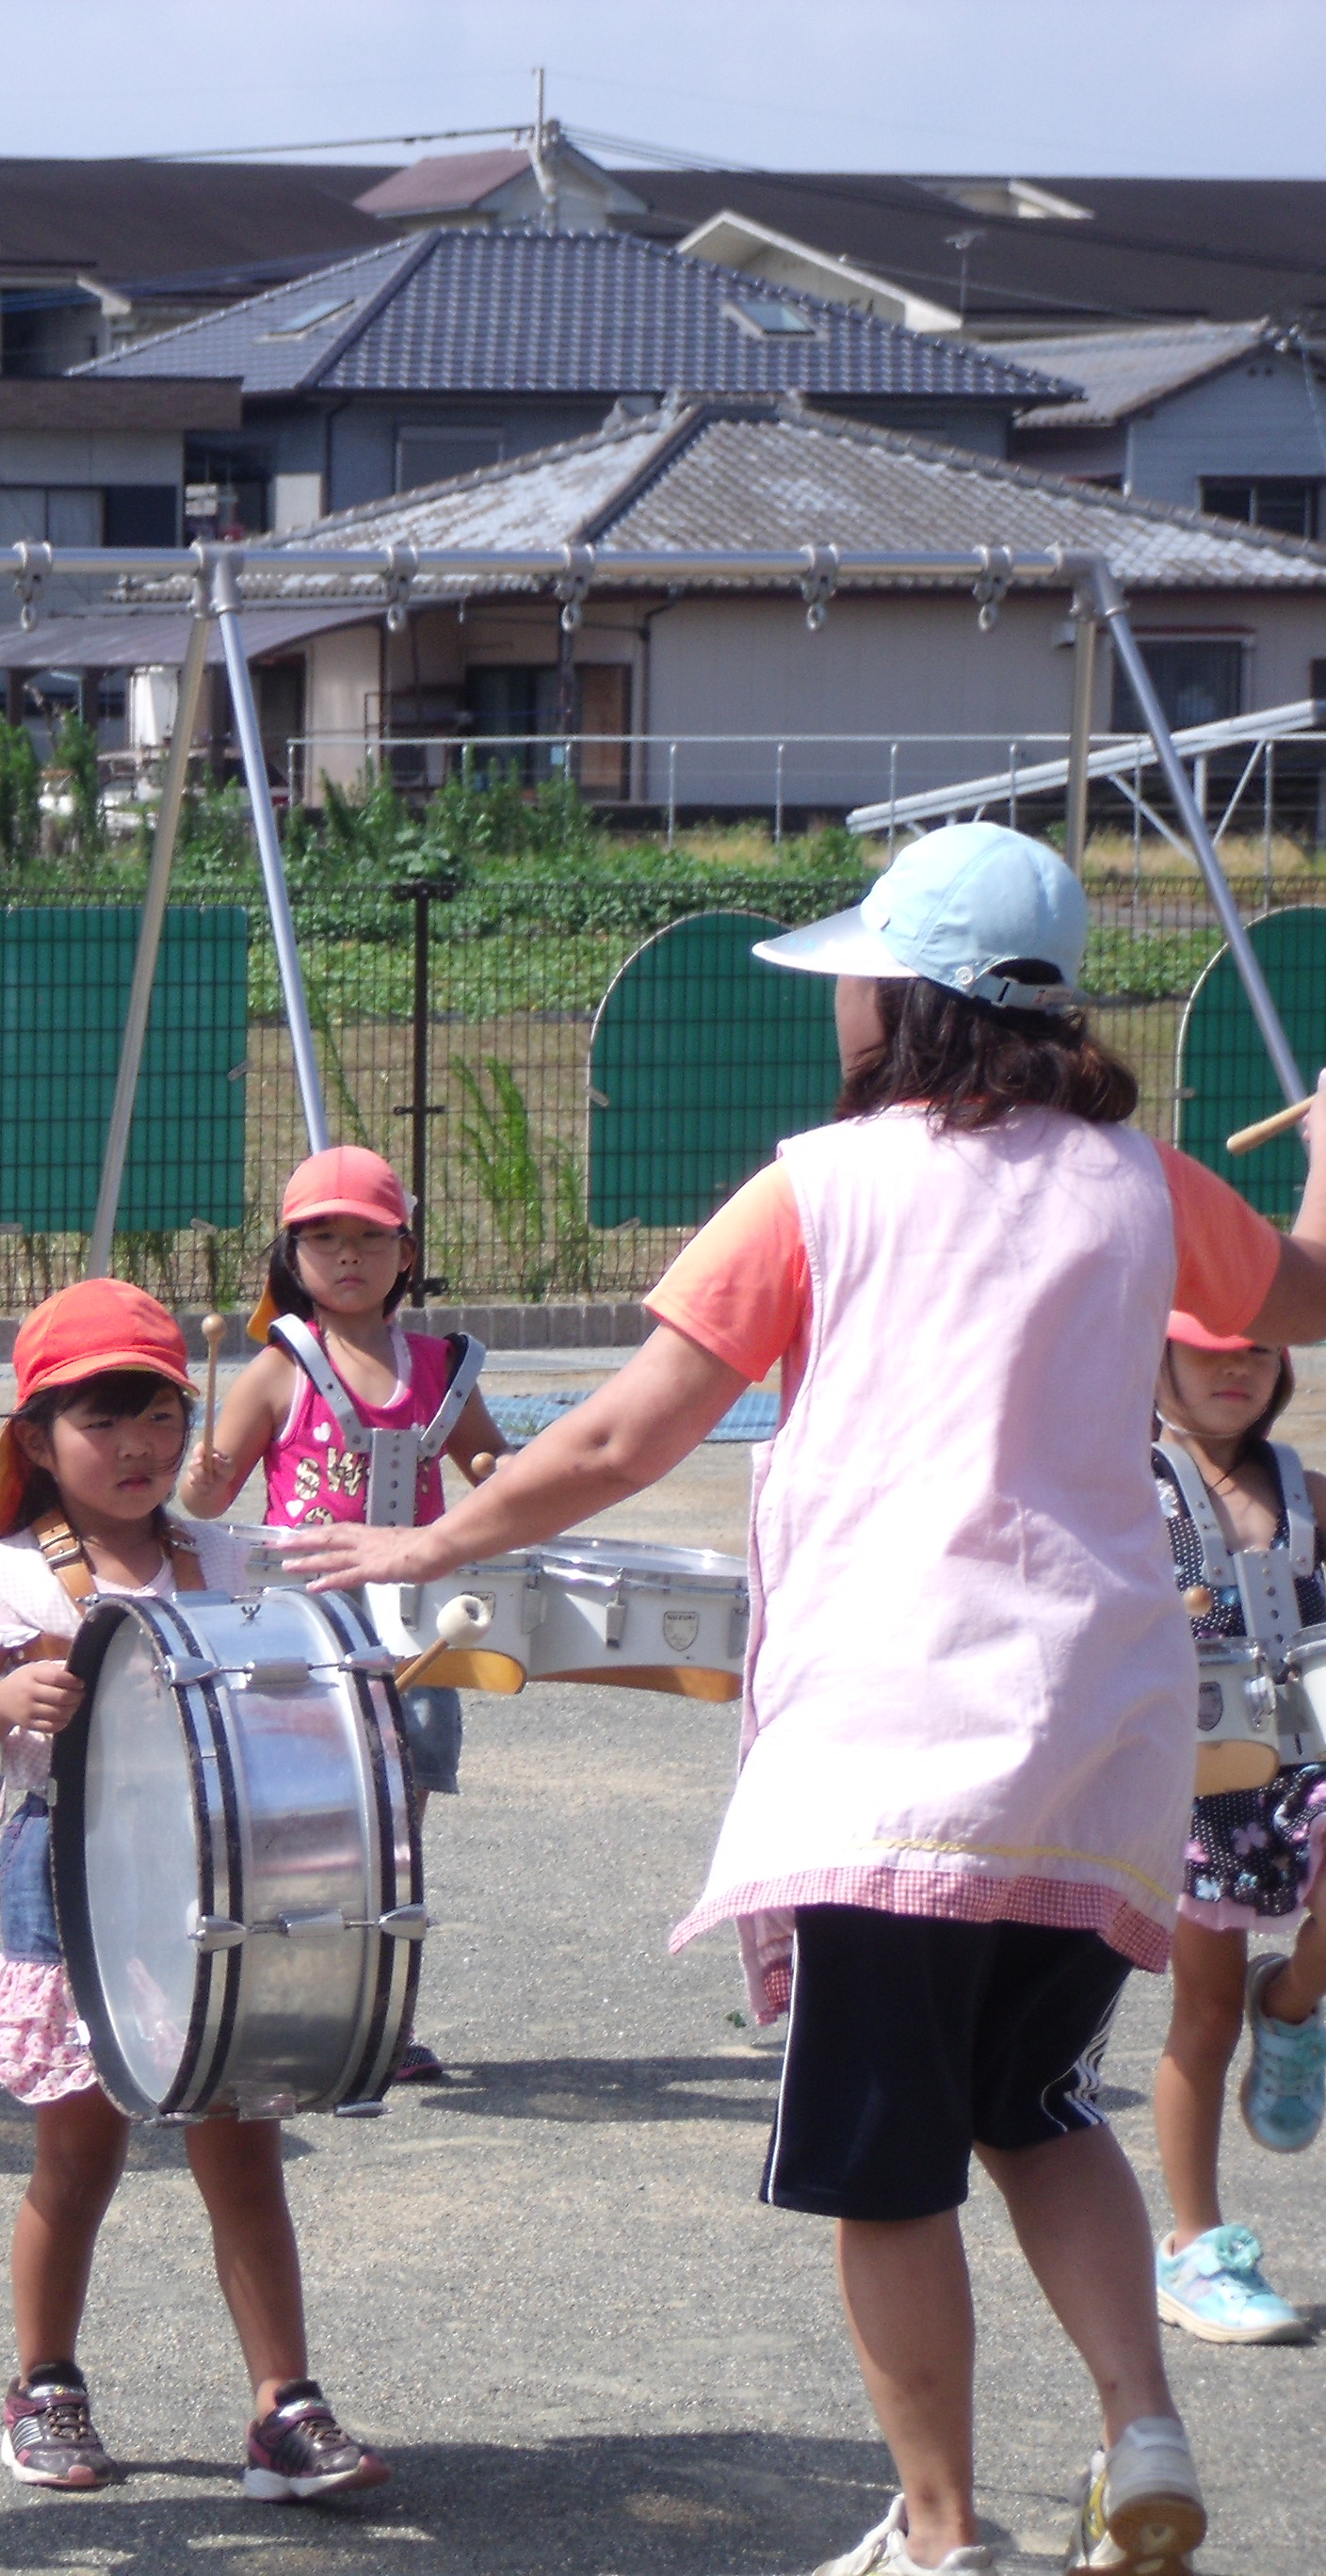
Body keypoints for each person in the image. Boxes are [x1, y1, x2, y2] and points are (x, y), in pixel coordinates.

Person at [279, 822, 1326, 2576]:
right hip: (1100, 1732)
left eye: (859, 972)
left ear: (907, 996)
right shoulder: (1141, 1180)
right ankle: (1140, 2425)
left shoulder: (818, 1185)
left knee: (884, 2168)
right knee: (1035, 2103)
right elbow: (1308, 1294)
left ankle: (940, 2529)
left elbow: (625, 1435)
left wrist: (430, 1539)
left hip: (895, 1741)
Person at [0, 1280, 389, 2502]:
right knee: (77, 2157)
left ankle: (284, 2407)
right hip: (72, 1878)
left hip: (218, 1879)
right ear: (37, 1442)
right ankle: (44, 2386)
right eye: (102, 1421)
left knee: (245, 2149)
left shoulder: (232, 1559)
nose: (137, 1447)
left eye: (160, 1417)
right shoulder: (2, 1578)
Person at [184, 1144, 504, 2084]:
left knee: (396, 1830)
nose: (348, 1256)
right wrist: (203, 1474)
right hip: (307, 1629)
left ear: (407, 1253)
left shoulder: (442, 1367)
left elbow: (489, 1467)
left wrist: (502, 1473)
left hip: (415, 1625)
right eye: (323, 1239)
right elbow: (206, 1502)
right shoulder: (274, 1371)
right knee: (295, 1823)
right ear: (293, 1257)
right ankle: (287, 2012)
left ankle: (381, 2023)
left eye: (369, 1237)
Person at [1142, 1313, 1326, 2344]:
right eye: (1207, 1348)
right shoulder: (1129, 1490)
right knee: (1203, 2019)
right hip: (1198, 1783)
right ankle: (1195, 2245)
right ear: (1153, 1357)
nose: (1235, 1368)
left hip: (1310, 1763)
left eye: (1256, 1349)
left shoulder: (1303, 1489)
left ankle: (1292, 2004)